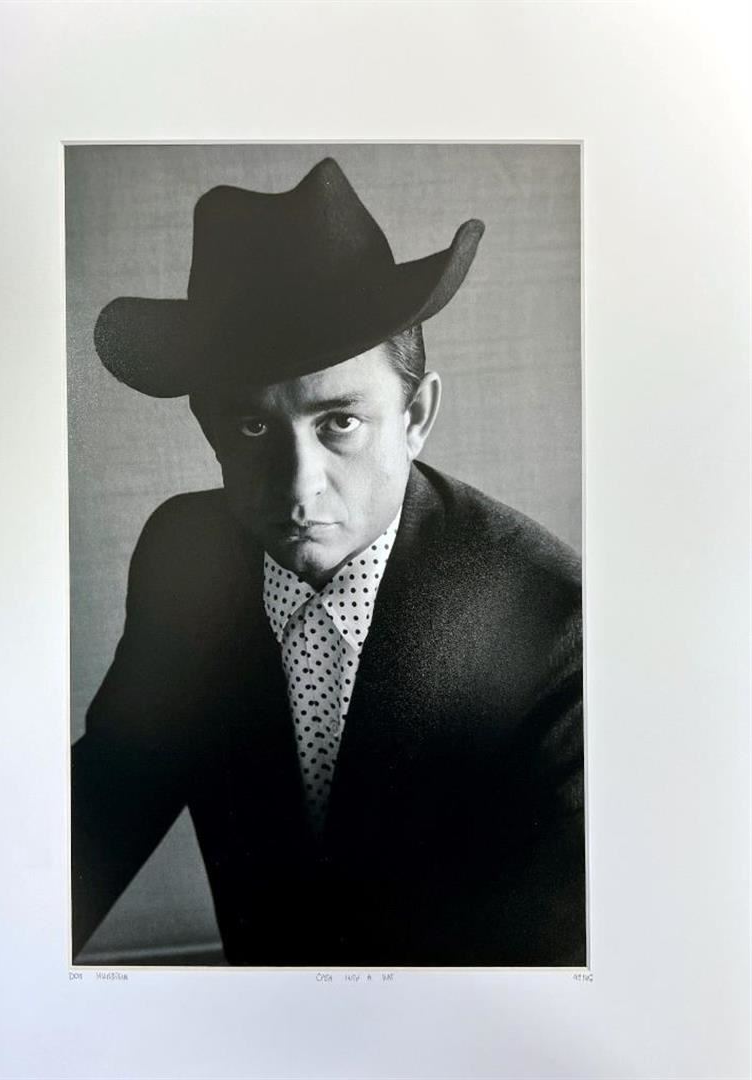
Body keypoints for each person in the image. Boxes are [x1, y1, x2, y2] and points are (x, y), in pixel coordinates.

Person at [71, 157, 585, 966]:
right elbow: (94, 820)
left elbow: (563, 956)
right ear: (210, 429)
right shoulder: (183, 557)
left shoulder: (554, 621)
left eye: (339, 422)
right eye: (252, 429)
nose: (298, 488)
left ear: (415, 416)